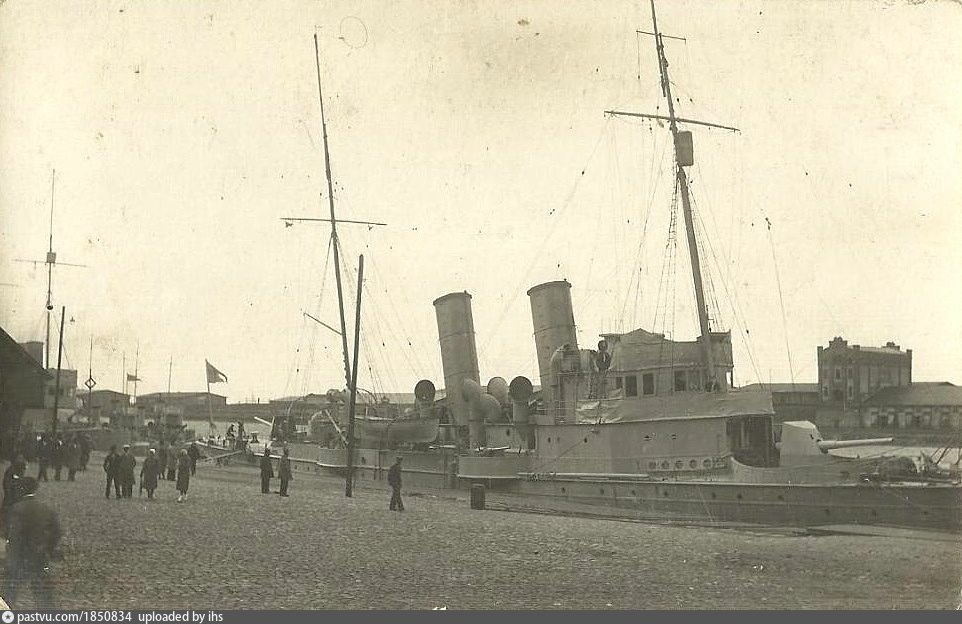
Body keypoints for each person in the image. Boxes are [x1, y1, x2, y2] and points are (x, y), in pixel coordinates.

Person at [2, 477, 61, 609]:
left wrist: (9, 553)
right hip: (39, 556)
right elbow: (56, 532)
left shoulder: (17, 509)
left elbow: (13, 534)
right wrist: (48, 548)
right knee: (43, 593)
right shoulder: (45, 508)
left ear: (21, 490)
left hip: (19, 557)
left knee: (9, 593)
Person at [2, 455, 27, 536]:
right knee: (8, 514)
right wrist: (10, 494)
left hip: (16, 496)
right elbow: (7, 484)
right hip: (11, 497)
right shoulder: (12, 470)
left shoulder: (18, 470)